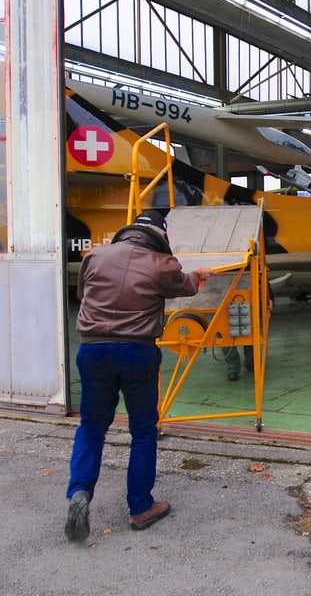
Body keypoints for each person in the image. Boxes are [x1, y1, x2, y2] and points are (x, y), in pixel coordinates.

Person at [65, 210, 213, 542]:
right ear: (161, 236)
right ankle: (140, 507)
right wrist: (199, 274)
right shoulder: (163, 263)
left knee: (91, 426)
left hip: (92, 349)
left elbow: (82, 295)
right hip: (137, 351)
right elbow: (186, 286)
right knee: (143, 431)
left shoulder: (95, 255)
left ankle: (80, 493)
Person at [225, 284, 274, 381]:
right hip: (225, 300)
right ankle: (233, 369)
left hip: (249, 298)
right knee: (226, 336)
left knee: (250, 332)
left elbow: (263, 279)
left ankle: (251, 362)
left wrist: (270, 297)